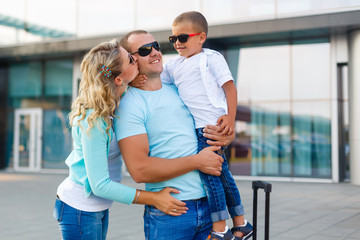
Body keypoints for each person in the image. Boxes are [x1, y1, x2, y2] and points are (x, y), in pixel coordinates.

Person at [53, 39, 189, 240]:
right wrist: (153, 199)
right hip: (79, 208)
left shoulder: (117, 101)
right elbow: (100, 185)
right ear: (117, 79)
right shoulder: (95, 119)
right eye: (131, 60)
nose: (136, 60)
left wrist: (129, 81)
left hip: (97, 207)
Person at [116, 30, 234, 240]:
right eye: (144, 50)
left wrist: (225, 136)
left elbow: (211, 126)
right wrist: (197, 162)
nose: (154, 52)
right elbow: (139, 171)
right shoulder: (130, 104)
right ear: (131, 60)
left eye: (156, 46)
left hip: (211, 208)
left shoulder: (180, 90)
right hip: (171, 212)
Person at [160, 11, 253, 240]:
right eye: (173, 39)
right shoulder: (173, 66)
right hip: (197, 129)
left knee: (211, 177)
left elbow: (229, 87)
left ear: (201, 37)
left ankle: (220, 229)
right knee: (221, 175)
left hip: (212, 127)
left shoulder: (211, 57)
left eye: (183, 38)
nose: (177, 44)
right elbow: (157, 81)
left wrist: (230, 118)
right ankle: (242, 223)